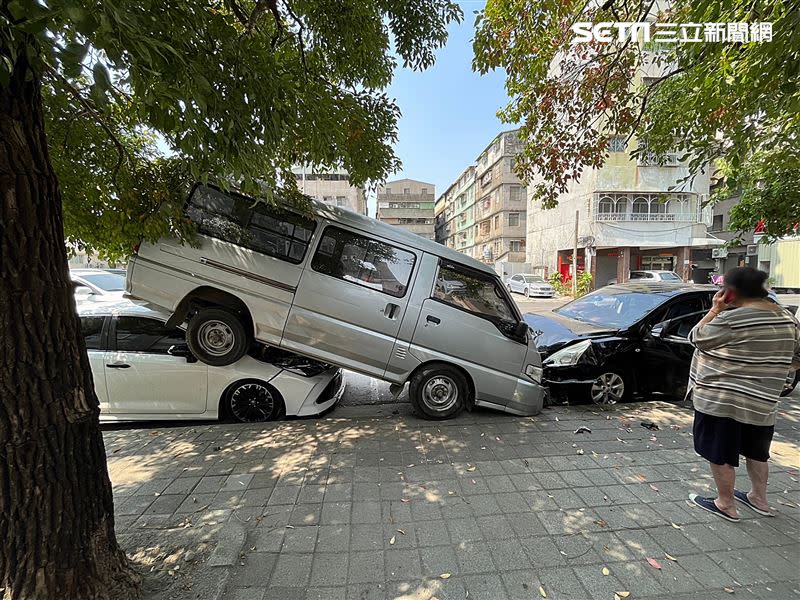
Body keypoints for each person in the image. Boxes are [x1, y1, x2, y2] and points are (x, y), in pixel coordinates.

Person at [687, 267, 800, 522]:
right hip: (763, 401)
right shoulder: (786, 318)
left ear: (731, 293)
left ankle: (725, 504)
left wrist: (715, 310)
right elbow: (798, 355)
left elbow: (697, 337)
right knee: (757, 451)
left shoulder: (731, 320)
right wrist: (772, 369)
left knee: (720, 451)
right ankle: (759, 499)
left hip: (724, 400)